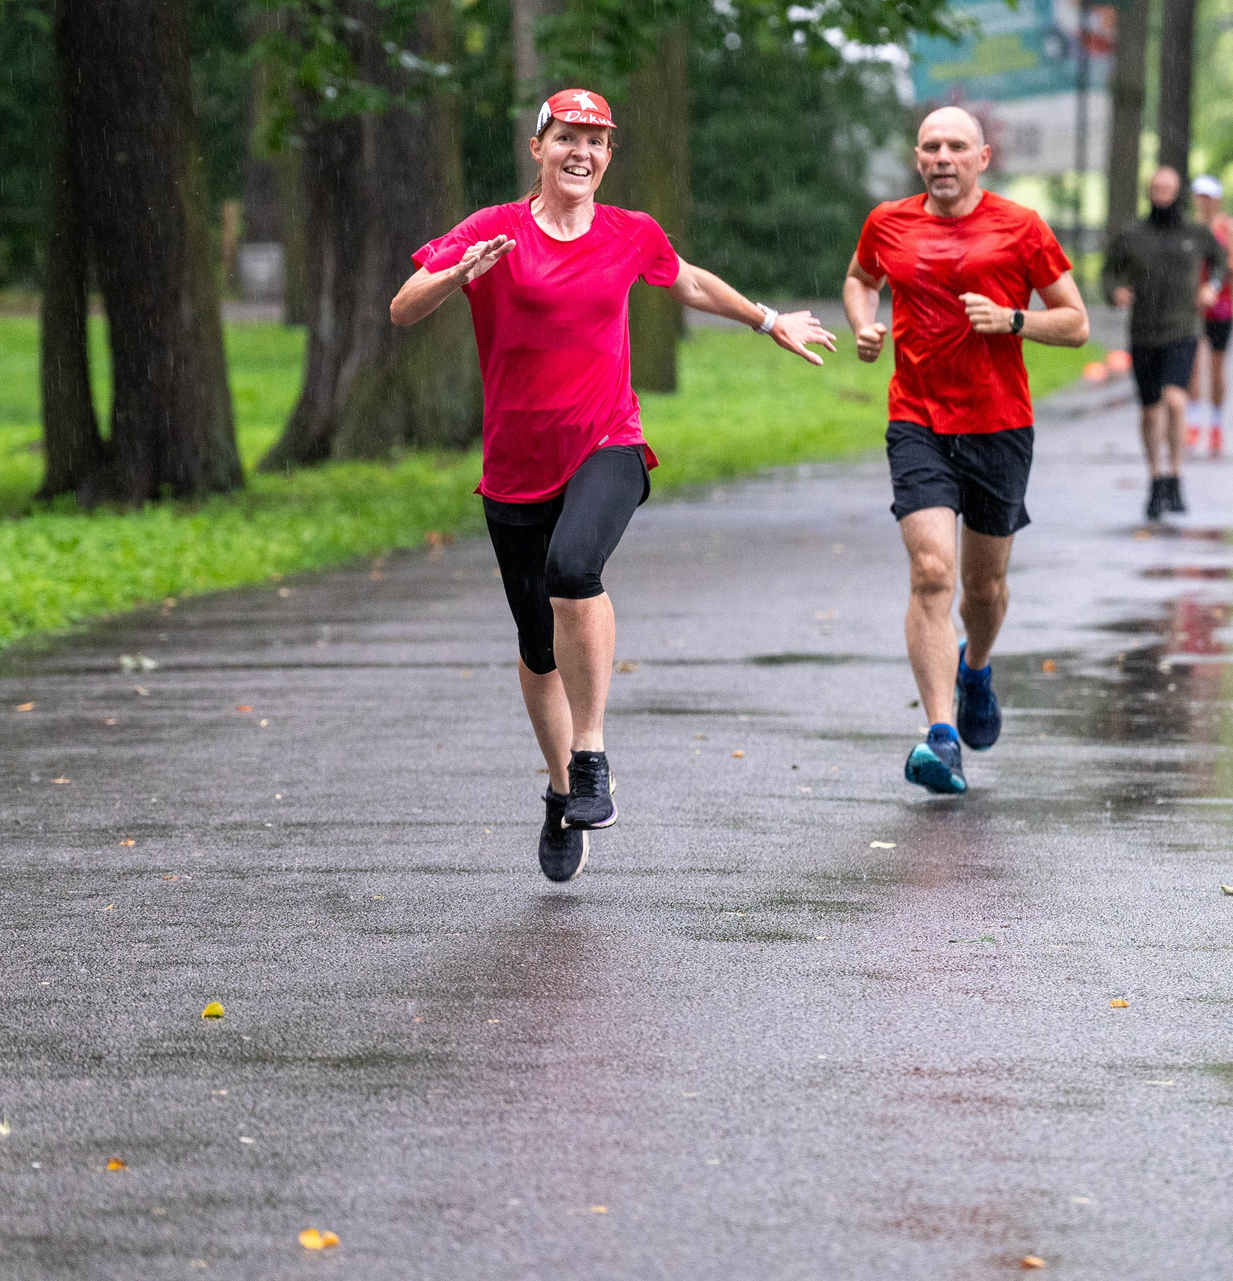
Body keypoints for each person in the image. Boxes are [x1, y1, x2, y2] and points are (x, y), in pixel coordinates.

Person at [390, 89, 835, 883]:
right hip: (514, 468)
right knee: (536, 645)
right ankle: (562, 790)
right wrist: (458, 273)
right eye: (567, 137)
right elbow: (401, 307)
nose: (582, 152)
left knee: (574, 571)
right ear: (539, 147)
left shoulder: (632, 232)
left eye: (596, 141)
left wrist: (769, 321)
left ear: (607, 154)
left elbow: (689, 281)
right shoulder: (494, 227)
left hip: (608, 442)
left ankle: (590, 753)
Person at [845, 105, 1089, 796]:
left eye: (956, 145)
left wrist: (1014, 319)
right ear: (917, 157)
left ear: (983, 157)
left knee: (984, 586)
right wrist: (866, 324)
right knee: (931, 571)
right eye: (930, 146)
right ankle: (942, 736)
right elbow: (862, 278)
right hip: (917, 419)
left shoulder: (1021, 228)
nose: (942, 156)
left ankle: (975, 664)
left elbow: (1076, 322)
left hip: (998, 424)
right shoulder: (888, 221)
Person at [1102, 166, 1223, 521]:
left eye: (1168, 190)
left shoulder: (1196, 233)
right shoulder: (1132, 235)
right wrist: (1114, 292)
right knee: (1150, 408)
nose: (1163, 196)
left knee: (1175, 398)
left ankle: (1177, 475)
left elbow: (1220, 261)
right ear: (1149, 193)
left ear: (1178, 193)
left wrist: (1210, 288)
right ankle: (1156, 477)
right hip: (1144, 333)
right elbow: (1110, 271)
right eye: (1156, 189)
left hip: (1183, 330)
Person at [1188, 174, 1233, 457]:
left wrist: (1215, 274)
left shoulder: (1229, 227)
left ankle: (1215, 426)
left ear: (1219, 200)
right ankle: (1191, 424)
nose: (1205, 202)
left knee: (1216, 368)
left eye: (1210, 197)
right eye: (1200, 197)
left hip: (1221, 306)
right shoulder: (1188, 227)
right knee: (1190, 365)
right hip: (1192, 307)